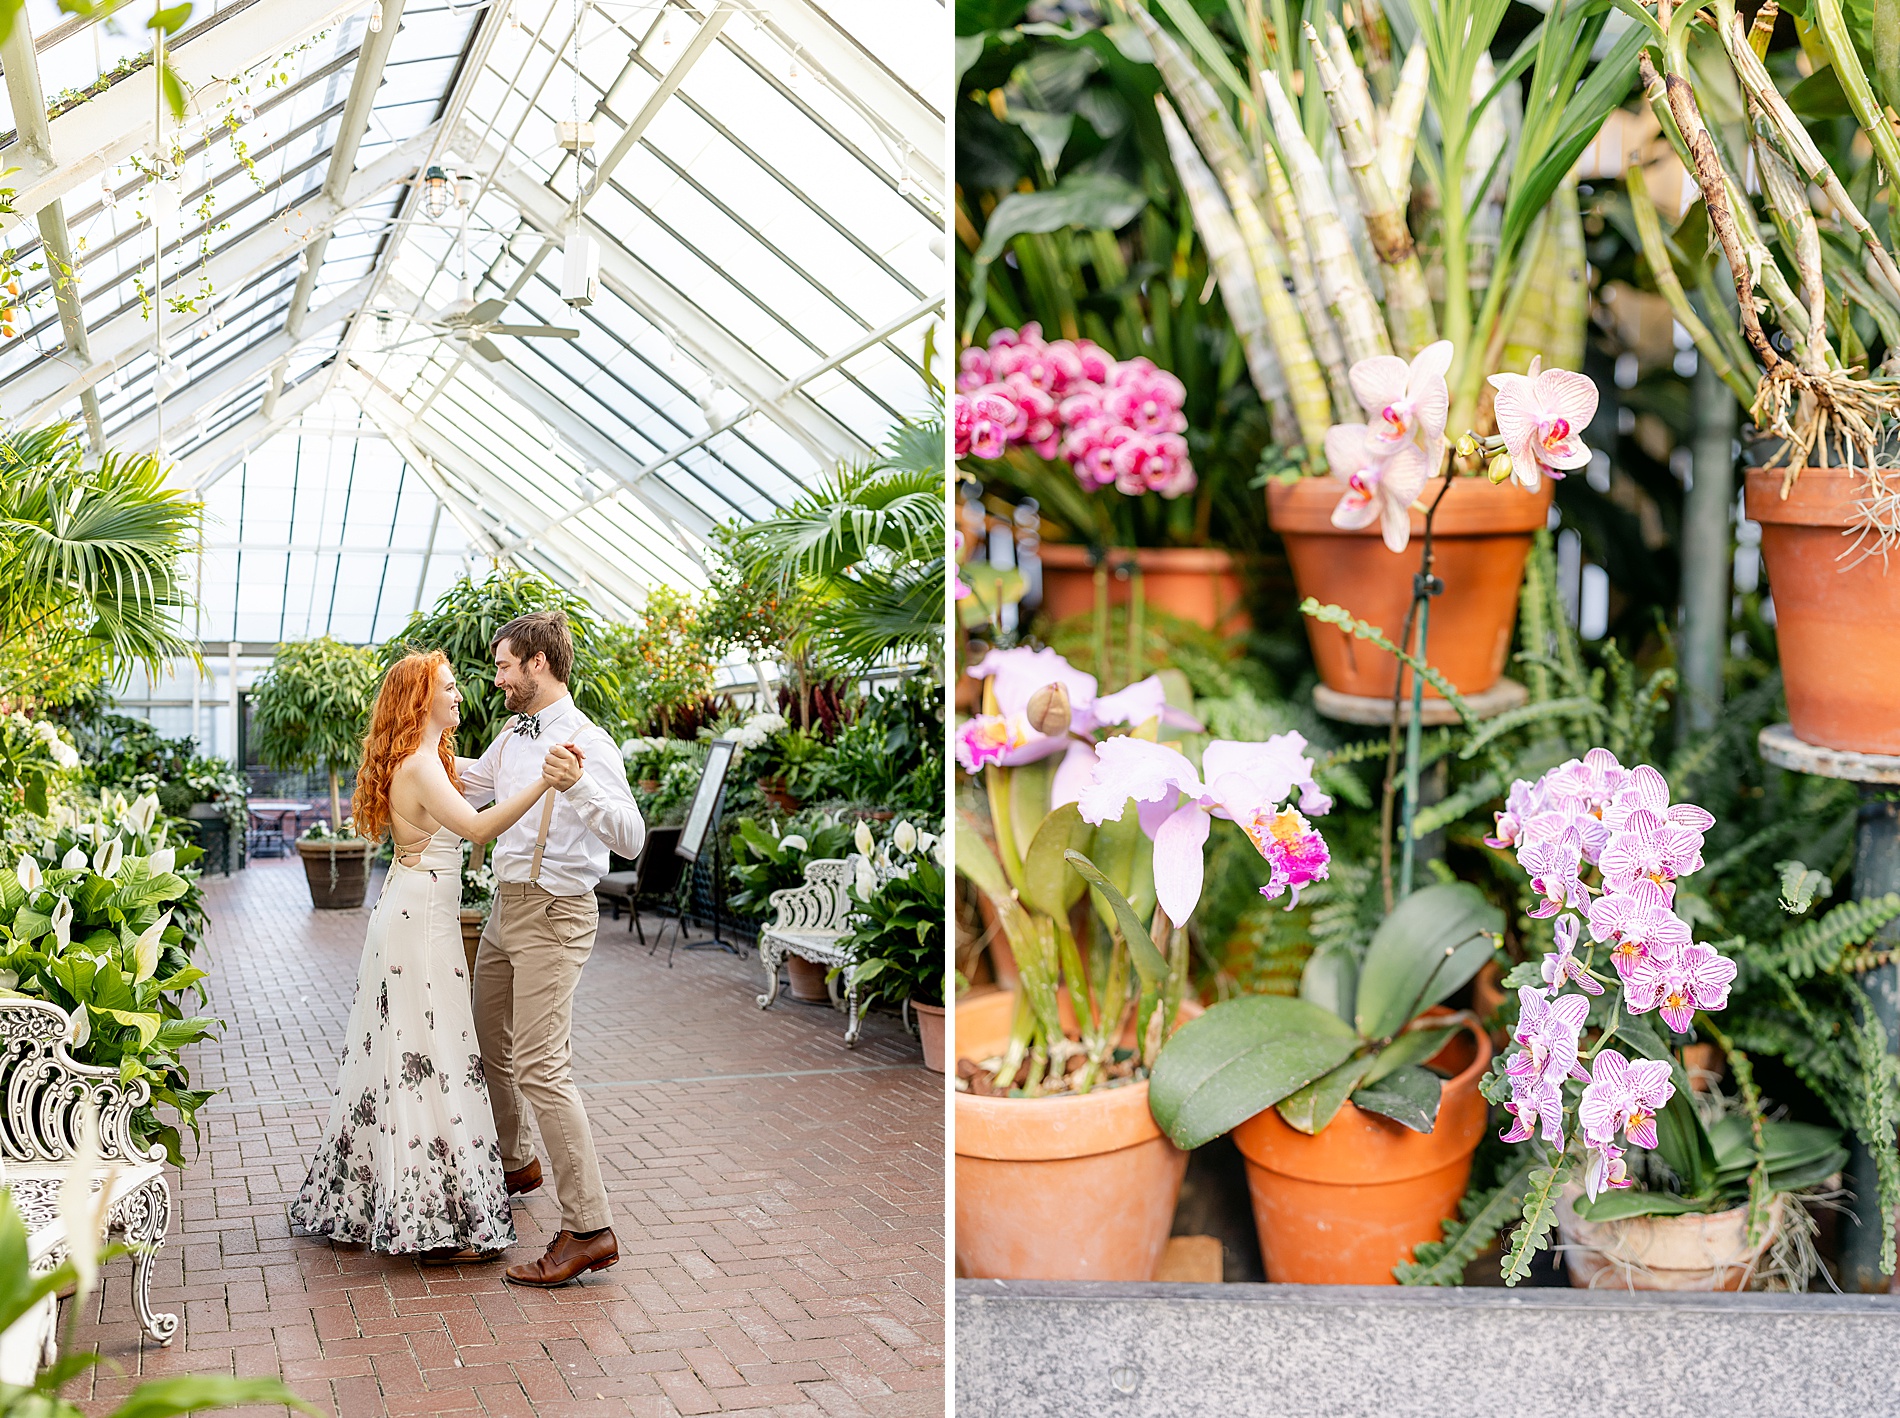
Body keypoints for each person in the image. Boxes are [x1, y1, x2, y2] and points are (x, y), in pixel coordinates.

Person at [291, 651, 562, 1262]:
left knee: (418, 1049)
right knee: (428, 1052)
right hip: (418, 921)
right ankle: (435, 1212)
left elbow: (480, 784)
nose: (460, 693)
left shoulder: (430, 761)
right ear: (422, 701)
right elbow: (479, 830)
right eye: (448, 687)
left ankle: (410, 1198)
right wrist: (545, 781)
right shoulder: (419, 765)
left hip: (421, 915)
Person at [458, 610, 646, 1286]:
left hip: (557, 913)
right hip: (505, 908)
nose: (499, 678)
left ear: (539, 663)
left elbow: (631, 836)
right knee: (485, 1043)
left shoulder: (589, 741)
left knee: (542, 1065)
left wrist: (579, 785)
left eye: (507, 665)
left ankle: (589, 1227)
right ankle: (516, 1163)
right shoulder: (512, 732)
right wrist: (414, 748)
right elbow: (473, 785)